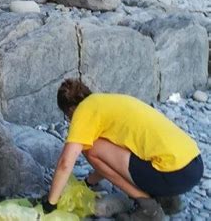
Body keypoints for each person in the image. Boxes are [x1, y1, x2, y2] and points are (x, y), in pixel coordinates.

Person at [42, 79, 203, 221]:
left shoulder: (84, 111)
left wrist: (50, 204)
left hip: (173, 173)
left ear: (70, 111)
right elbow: (115, 160)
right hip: (193, 165)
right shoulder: (108, 103)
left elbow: (65, 162)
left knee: (90, 149)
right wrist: (88, 182)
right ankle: (167, 199)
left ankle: (149, 209)